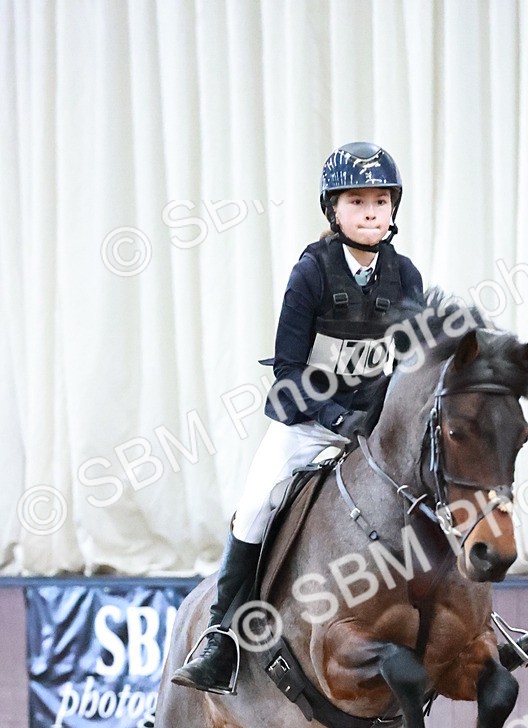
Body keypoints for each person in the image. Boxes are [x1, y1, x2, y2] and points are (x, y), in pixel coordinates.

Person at [172, 142, 424, 694]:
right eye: (357, 202)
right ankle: (221, 636)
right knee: (255, 508)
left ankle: (480, 623)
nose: (371, 213)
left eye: (381, 202)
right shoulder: (311, 273)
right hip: (308, 426)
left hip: (374, 430)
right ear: (333, 209)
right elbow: (287, 371)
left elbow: (412, 364)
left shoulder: (405, 277)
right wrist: (336, 418)